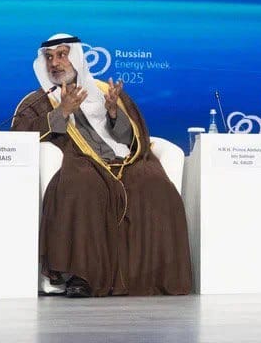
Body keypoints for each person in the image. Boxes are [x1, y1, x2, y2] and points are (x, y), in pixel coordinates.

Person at [11, 34, 192, 297]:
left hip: (123, 160)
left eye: (62, 55)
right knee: (81, 186)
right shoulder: (38, 101)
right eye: (49, 57)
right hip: (79, 160)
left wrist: (114, 113)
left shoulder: (105, 91)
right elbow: (21, 137)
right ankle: (82, 277)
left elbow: (132, 136)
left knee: (155, 184)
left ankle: (155, 275)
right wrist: (62, 112)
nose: (55, 63)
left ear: (76, 57)